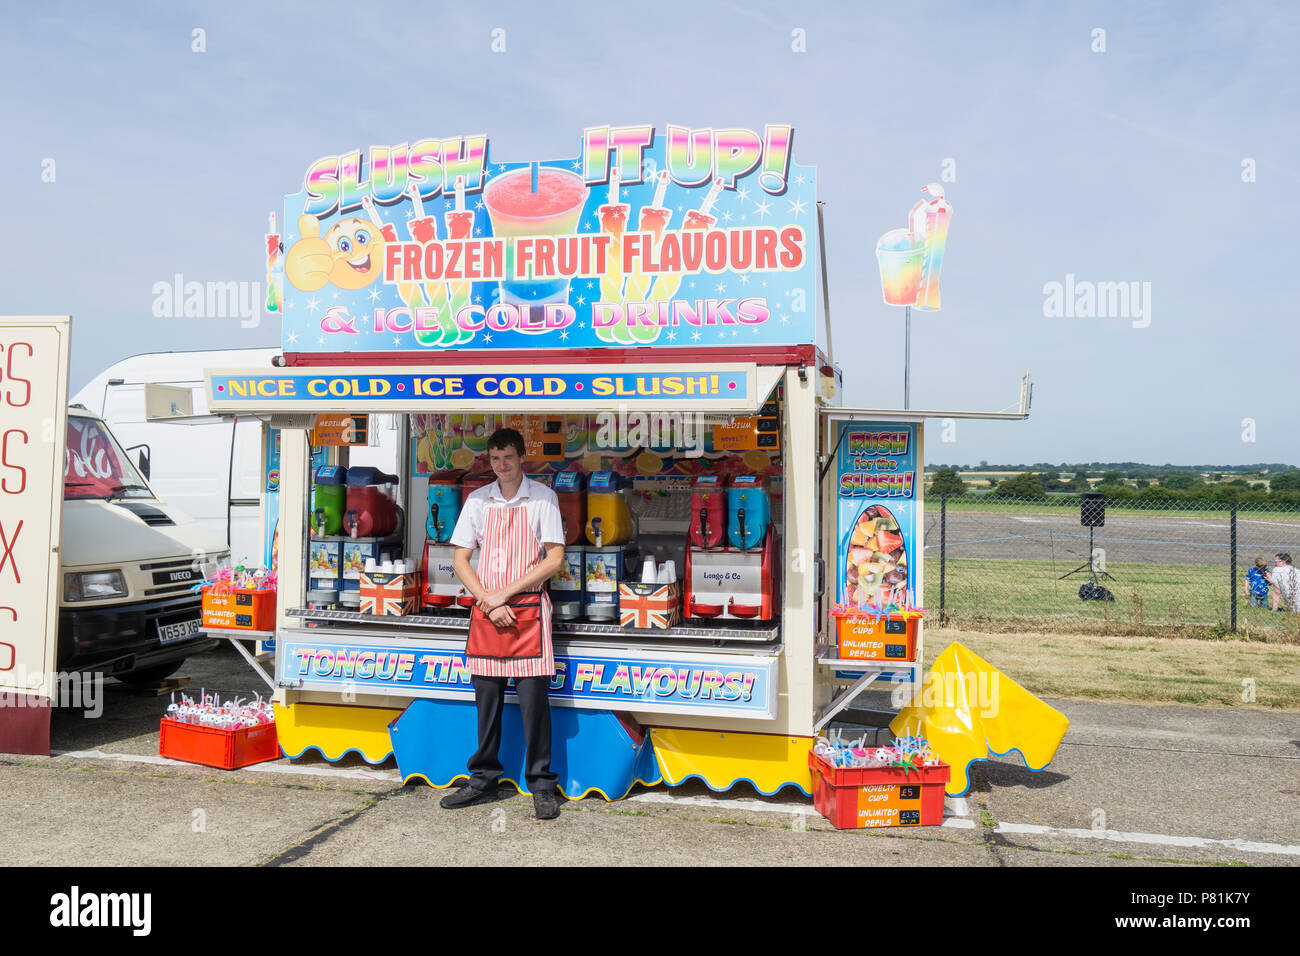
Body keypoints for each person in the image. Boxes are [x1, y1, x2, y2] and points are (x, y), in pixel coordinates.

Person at [441, 428, 567, 819]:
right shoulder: (479, 502)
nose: (501, 465)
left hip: (529, 613)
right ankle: (483, 780)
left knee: (534, 705)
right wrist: (488, 600)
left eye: (507, 457)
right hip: (488, 614)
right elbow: (461, 559)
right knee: (488, 702)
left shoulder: (543, 498)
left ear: (521, 456)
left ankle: (542, 784)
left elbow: (554, 559)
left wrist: (504, 594)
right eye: (495, 459)